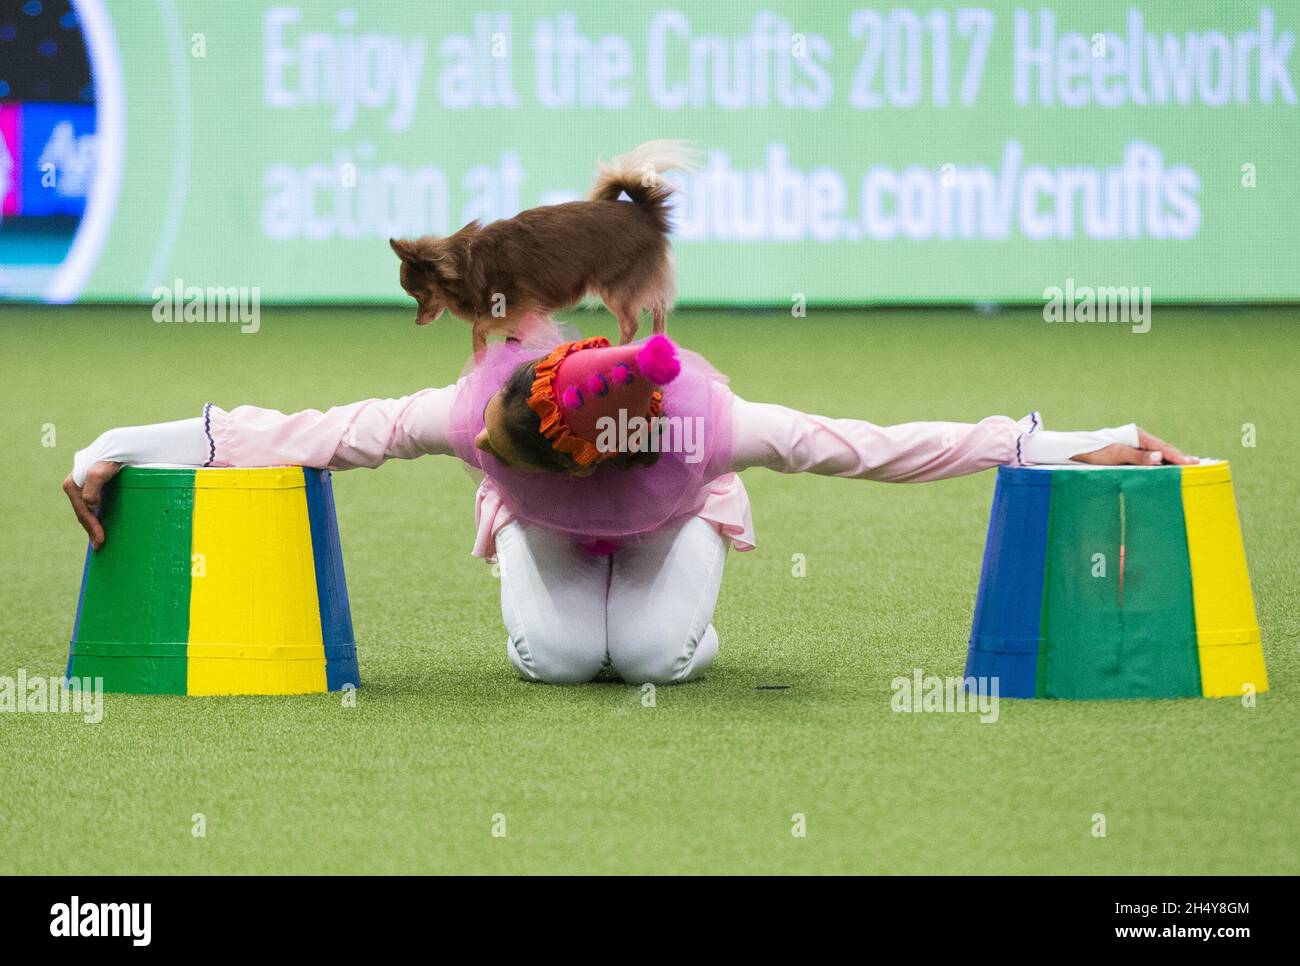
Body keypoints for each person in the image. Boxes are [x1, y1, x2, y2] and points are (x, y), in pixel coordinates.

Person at [64, 326, 1192, 686]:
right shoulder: (471, 413)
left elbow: (881, 447)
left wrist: (1070, 441)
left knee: (649, 662)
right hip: (547, 532)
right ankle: (552, 569)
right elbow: (301, 433)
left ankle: (676, 583)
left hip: (669, 518)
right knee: (558, 663)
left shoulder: (714, 427)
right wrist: (118, 442)